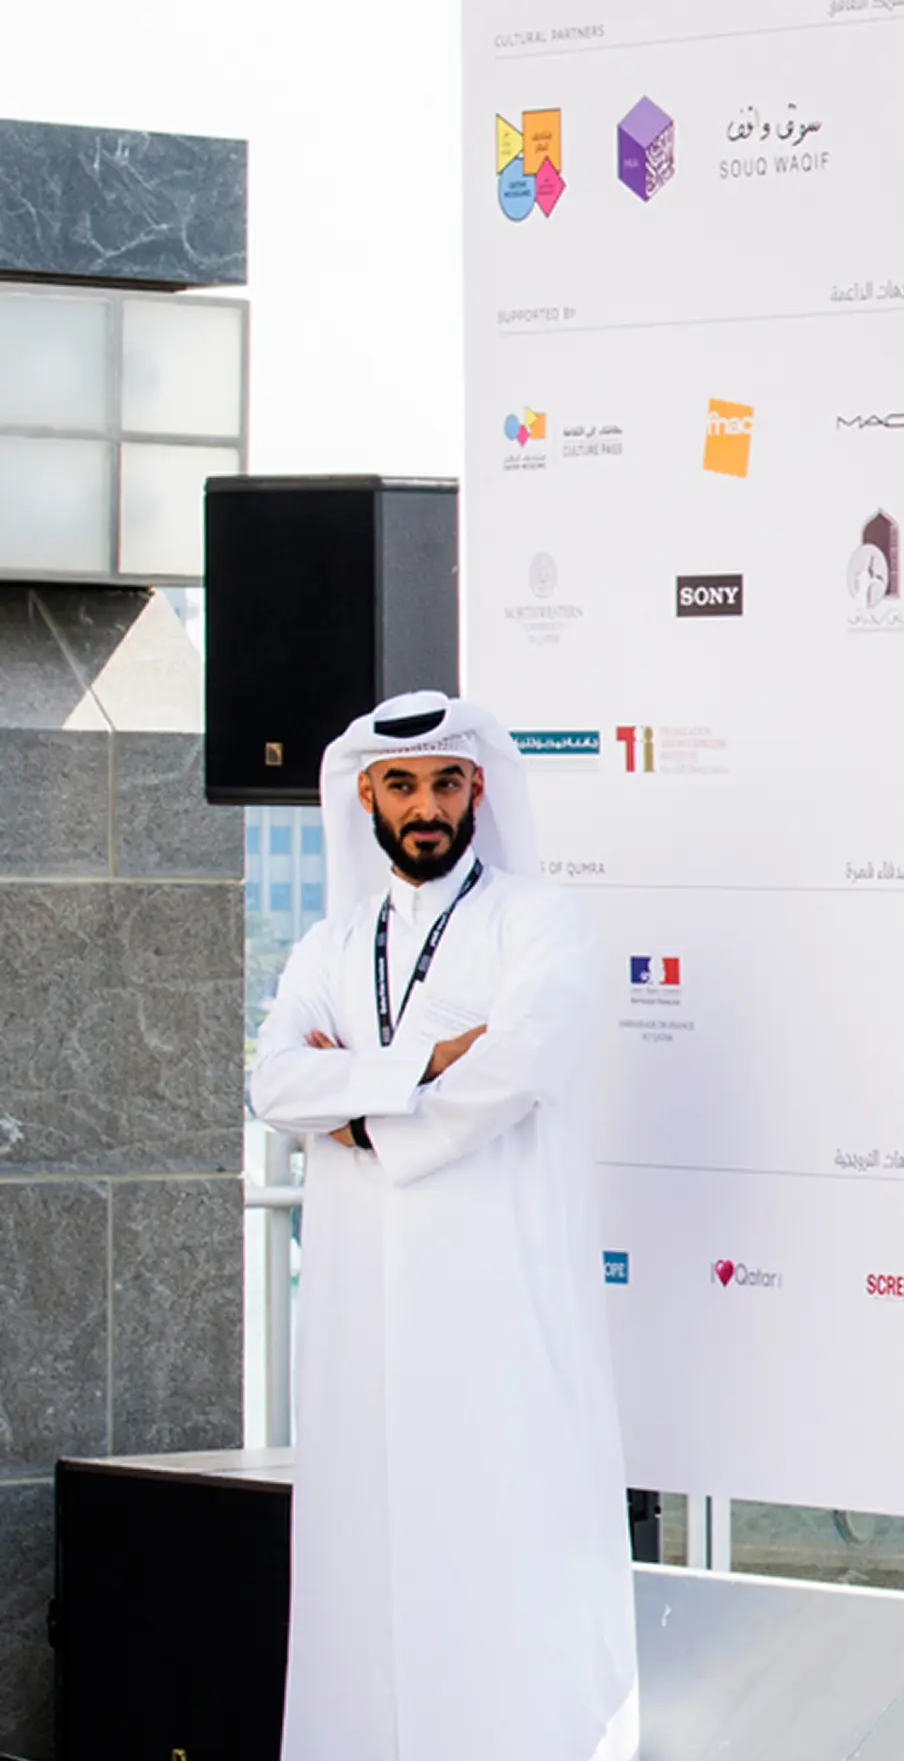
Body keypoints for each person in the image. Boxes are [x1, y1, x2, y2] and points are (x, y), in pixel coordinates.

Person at [248, 692, 637, 1760]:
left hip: (495, 1294)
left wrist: (361, 1118)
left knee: (499, 1522)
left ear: (478, 790)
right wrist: (422, 1067)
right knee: (364, 1543)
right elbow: (275, 1083)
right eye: (404, 786)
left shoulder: (540, 922)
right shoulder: (327, 947)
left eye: (448, 783)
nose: (429, 808)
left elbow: (518, 1068)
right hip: (361, 1302)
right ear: (366, 796)